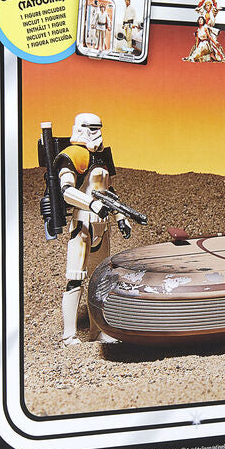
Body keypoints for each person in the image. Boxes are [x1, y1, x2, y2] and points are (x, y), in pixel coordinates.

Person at [48, 113, 132, 345]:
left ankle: (98, 331)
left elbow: (109, 192)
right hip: (82, 223)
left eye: (99, 128)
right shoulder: (73, 155)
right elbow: (66, 190)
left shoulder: (102, 157)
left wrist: (120, 217)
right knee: (75, 277)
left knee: (100, 278)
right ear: (81, 128)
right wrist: (92, 204)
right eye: (92, 128)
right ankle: (69, 335)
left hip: (102, 225)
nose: (97, 133)